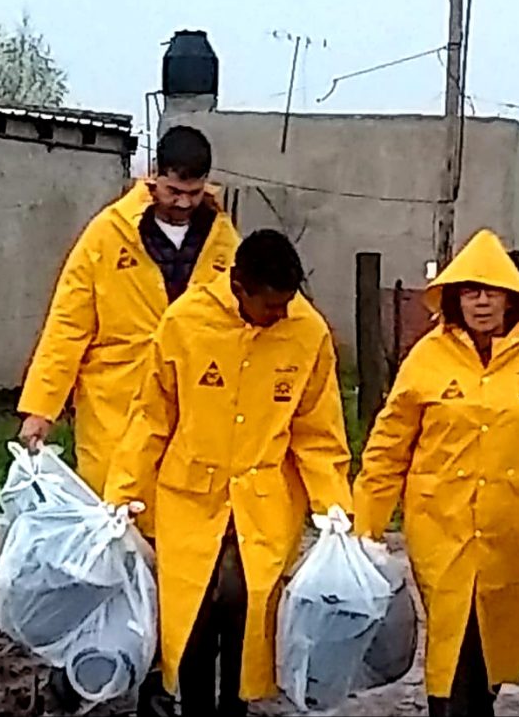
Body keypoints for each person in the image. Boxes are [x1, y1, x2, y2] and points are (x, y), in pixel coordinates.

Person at [353, 229, 519, 717]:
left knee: (496, 648)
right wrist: (364, 526)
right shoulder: (427, 357)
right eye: (470, 291)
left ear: (513, 298)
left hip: (517, 532)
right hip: (442, 529)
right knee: (456, 647)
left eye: (492, 291)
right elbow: (388, 448)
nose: (482, 302)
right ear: (453, 297)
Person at [104, 229, 353, 716]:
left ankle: (235, 710)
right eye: (271, 306)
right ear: (238, 286)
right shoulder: (186, 322)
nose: (281, 316)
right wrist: (122, 493)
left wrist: (334, 506)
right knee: (193, 623)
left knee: (249, 619)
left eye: (288, 304)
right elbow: (153, 416)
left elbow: (316, 430)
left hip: (263, 503)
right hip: (190, 500)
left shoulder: (308, 332)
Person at [17, 126, 239, 507]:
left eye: (194, 193)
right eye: (174, 191)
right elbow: (68, 325)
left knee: (187, 514)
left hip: (197, 398)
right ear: (153, 175)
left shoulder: (224, 242)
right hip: (115, 402)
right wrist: (41, 409)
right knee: (114, 508)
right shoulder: (108, 234)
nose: (184, 203)